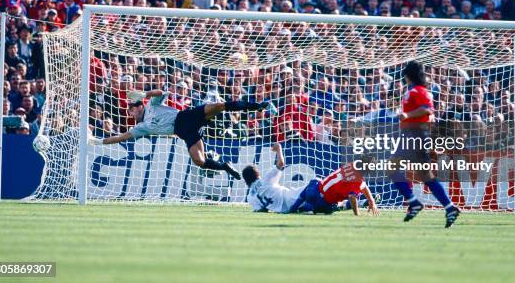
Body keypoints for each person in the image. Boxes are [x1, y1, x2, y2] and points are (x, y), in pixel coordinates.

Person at [90, 89, 268, 180]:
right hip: (184, 132)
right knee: (199, 161)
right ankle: (225, 166)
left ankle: (254, 106)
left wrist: (144, 94)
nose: (130, 113)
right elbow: (121, 137)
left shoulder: (152, 105)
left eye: (131, 109)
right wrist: (99, 142)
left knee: (219, 105)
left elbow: (160, 92)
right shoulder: (142, 127)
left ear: (139, 106)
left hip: (186, 116)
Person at [388, 61, 461, 228]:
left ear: (409, 75)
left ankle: (414, 201)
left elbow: (427, 110)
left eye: (405, 74)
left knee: (393, 167)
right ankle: (449, 207)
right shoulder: (416, 90)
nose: (404, 77)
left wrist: (407, 115)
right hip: (415, 135)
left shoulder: (419, 91)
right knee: (426, 176)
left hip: (415, 135)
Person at [289, 155, 380, 216]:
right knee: (336, 206)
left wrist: (371, 199)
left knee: (315, 181)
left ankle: (294, 207)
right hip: (322, 202)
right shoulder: (357, 181)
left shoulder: (352, 164)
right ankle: (306, 208)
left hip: (313, 188)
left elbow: (363, 185)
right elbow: (352, 196)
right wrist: (357, 214)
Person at [242, 143, 309, 213]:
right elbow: (281, 163)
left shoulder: (250, 197)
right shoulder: (265, 180)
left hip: (286, 210)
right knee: (314, 183)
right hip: (292, 197)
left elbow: (260, 210)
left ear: (246, 180)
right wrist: (278, 149)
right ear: (256, 173)